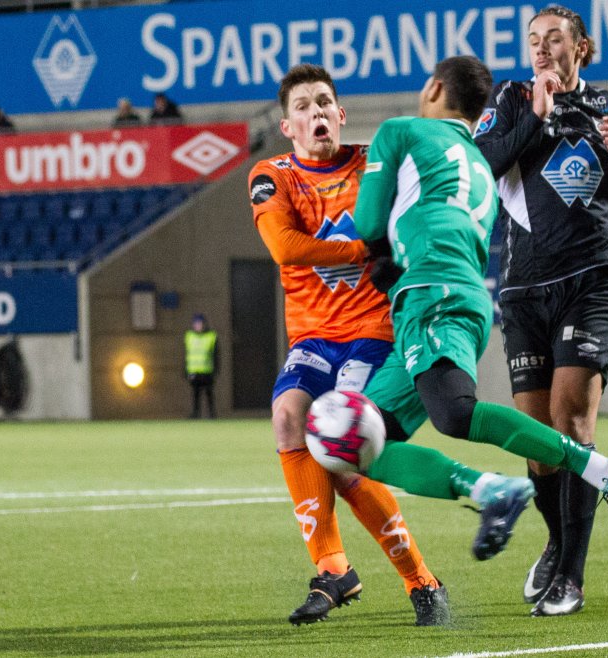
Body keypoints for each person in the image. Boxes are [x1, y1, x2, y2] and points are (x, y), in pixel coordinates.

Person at [351, 54, 608, 599]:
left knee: (454, 412)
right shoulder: (476, 158)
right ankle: (489, 489)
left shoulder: (401, 132)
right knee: (356, 443)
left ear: (434, 88)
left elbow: (368, 223)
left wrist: (379, 254)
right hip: (454, 296)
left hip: (432, 292)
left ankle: (602, 472)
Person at [248, 63, 447, 627]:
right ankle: (333, 568)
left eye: (323, 103)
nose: (315, 112)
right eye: (303, 106)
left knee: (339, 449)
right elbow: (286, 247)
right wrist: (362, 250)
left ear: (340, 114)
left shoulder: (374, 166)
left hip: (372, 334)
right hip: (313, 336)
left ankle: (421, 581)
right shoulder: (271, 174)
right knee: (287, 417)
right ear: (287, 126)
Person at [472, 5, 608, 616]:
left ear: (581, 47)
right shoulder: (511, 100)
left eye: (554, 38)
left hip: (592, 276)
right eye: (534, 40)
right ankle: (558, 542)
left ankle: (571, 577)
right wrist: (536, 116)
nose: (542, 48)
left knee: (571, 420)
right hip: (525, 286)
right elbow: (483, 166)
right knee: (539, 442)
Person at [183, 313, 217, 419]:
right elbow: (186, 354)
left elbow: (216, 355)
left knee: (209, 393)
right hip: (194, 370)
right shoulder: (189, 336)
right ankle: (195, 414)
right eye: (196, 324)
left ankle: (211, 414)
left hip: (207, 370)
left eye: (200, 323)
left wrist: (216, 370)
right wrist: (185, 370)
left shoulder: (211, 336)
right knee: (195, 394)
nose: (198, 326)